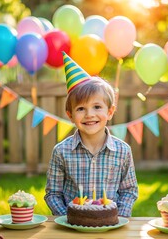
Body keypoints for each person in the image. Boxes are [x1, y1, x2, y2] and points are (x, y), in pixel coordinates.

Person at [44, 52, 138, 217]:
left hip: (110, 226)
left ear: (110, 112)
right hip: (72, 228)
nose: (89, 114)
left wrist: (120, 217)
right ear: (70, 115)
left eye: (97, 107)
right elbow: (53, 194)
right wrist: (68, 218)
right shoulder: (61, 151)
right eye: (81, 109)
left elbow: (129, 190)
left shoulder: (123, 151)